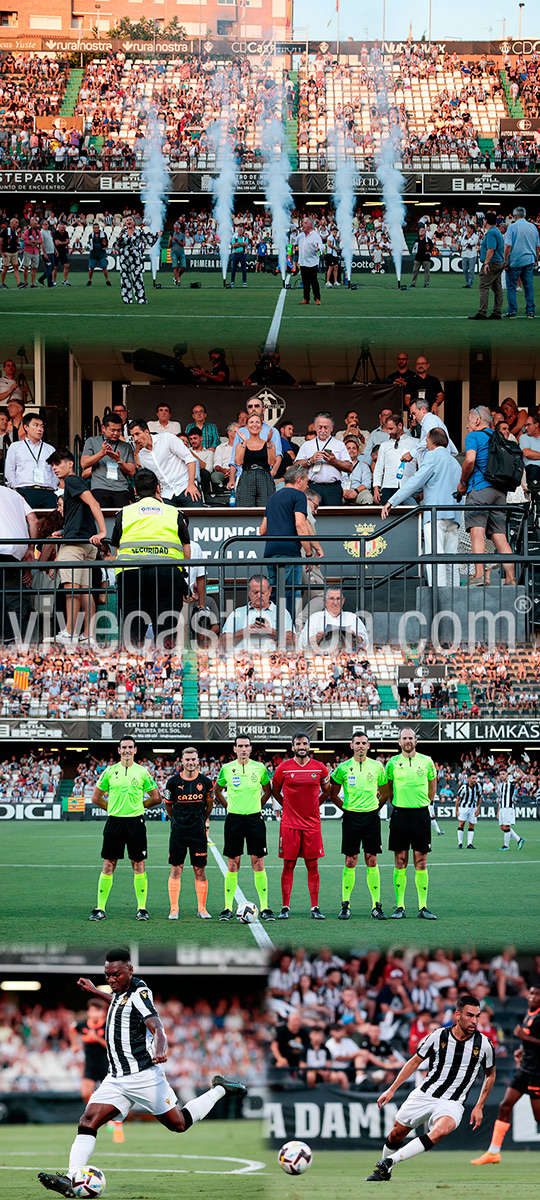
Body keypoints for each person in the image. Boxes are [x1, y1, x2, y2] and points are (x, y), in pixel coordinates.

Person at [37, 950, 246, 1198]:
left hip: (144, 1077)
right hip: (115, 1078)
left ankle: (220, 1088)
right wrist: (95, 991)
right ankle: (72, 1178)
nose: (111, 979)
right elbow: (118, 1003)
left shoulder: (139, 994)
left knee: (178, 1124)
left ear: (130, 971)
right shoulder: (119, 994)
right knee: (87, 1121)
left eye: (116, 974)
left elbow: (157, 1026)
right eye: (107, 975)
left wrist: (160, 1050)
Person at [365, 995, 495, 1181]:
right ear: (457, 1015)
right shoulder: (438, 1036)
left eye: (477, 1016)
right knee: (396, 1135)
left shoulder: (484, 1045)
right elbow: (414, 1062)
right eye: (469, 1015)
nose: (474, 1021)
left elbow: (491, 1074)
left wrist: (480, 1105)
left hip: (453, 1102)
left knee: (440, 1131)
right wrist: (392, 1089)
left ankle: (389, 1161)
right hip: (425, 1094)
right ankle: (384, 1171)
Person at [109, 468, 190, 647]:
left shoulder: (124, 513)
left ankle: (134, 671)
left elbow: (116, 548)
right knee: (166, 630)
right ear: (158, 488)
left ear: (135, 491)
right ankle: (166, 670)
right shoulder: (173, 513)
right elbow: (186, 550)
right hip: (166, 574)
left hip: (130, 575)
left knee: (134, 631)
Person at [88, 737, 161, 922]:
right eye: (124, 747)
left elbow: (156, 797)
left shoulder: (143, 772)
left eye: (130, 747)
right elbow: (96, 797)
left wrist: (140, 806)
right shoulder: (110, 772)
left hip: (136, 822)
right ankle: (100, 908)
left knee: (138, 864)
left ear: (135, 750)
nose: (127, 750)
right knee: (108, 864)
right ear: (119, 750)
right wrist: (112, 808)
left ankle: (142, 908)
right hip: (114, 822)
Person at [382, 429, 461, 587]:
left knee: (434, 558)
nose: (425, 444)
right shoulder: (455, 461)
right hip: (454, 514)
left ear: (432, 441)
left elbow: (415, 480)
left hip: (435, 514)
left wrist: (392, 501)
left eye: (426, 440)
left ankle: (439, 596)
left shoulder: (432, 456)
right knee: (452, 560)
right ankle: (454, 596)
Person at [472, 985, 540, 1165]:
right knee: (505, 1105)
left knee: (538, 1117)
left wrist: (524, 1038)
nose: (532, 996)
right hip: (524, 1069)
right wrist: (521, 1049)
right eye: (531, 993)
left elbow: (532, 1038)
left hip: (537, 1072)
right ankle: (494, 1152)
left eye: (536, 994)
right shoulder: (530, 1013)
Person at [46, 449, 107, 644]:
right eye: (52, 465)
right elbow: (82, 513)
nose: (55, 468)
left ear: (70, 463)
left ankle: (69, 632)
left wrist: (103, 531)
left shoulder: (72, 481)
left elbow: (94, 504)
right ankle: (88, 635)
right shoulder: (76, 483)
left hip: (75, 545)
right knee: (85, 590)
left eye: (58, 463)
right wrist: (64, 532)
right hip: (86, 543)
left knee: (71, 589)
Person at [214, 734, 274, 922]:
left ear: (250, 748)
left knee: (258, 862)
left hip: (255, 819)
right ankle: (227, 908)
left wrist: (258, 805)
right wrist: (228, 806)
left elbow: (268, 790)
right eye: (240, 746)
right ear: (235, 749)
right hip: (234, 820)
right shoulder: (227, 769)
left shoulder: (260, 768)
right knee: (233, 863)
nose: (243, 749)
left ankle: (264, 907)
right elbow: (218, 790)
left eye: (246, 746)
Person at [330, 731, 388, 922]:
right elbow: (333, 794)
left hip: (371, 817)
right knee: (350, 861)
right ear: (351, 745)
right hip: (351, 818)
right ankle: (345, 905)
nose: (361, 746)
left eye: (364, 743)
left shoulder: (378, 767)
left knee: (372, 860)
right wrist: (346, 809)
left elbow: (386, 792)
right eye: (357, 743)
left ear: (369, 746)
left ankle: (376, 906)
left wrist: (375, 809)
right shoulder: (343, 768)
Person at [272, 733, 330, 920]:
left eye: (305, 743)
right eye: (298, 743)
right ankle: (285, 907)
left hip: (312, 825)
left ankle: (315, 907)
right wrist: (286, 806)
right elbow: (275, 790)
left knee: (312, 865)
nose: (302, 746)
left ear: (309, 746)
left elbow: (326, 790)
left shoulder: (320, 768)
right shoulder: (283, 768)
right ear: (293, 747)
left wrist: (315, 804)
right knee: (288, 864)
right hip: (289, 824)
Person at [458, 406, 515, 586]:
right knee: (500, 537)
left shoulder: (474, 436)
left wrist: (463, 482)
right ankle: (511, 580)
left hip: (480, 489)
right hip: (500, 492)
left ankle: (479, 576)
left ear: (476, 421)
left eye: (468, 420)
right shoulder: (500, 437)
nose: (467, 425)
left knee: (477, 533)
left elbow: (469, 460)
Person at [385, 728, 437, 921]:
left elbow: (432, 789)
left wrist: (421, 803)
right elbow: (389, 791)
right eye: (404, 738)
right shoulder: (392, 763)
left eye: (411, 738)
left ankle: (423, 906)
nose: (408, 741)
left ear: (416, 740)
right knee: (400, 861)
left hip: (421, 815)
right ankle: (400, 906)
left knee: (421, 861)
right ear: (399, 741)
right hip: (400, 815)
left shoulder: (427, 761)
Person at [260, 462, 318, 617]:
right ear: (299, 480)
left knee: (273, 595)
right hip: (289, 553)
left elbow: (262, 530)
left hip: (270, 553)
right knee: (291, 595)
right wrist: (309, 555)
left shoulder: (273, 498)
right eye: (306, 482)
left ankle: (274, 629)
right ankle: (288, 633)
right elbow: (300, 524)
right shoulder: (299, 495)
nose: (307, 486)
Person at [164, 746, 213, 921]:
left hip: (198, 831)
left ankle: (202, 909)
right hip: (178, 831)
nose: (191, 762)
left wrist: (202, 821)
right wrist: (176, 820)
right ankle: (174, 909)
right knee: (176, 868)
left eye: (193, 759)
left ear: (198, 761)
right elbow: (169, 805)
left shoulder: (206, 783)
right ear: (182, 761)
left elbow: (209, 806)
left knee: (199, 869)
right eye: (187, 759)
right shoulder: (172, 782)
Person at [130, 420, 200, 507]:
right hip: (166, 495)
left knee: (197, 518)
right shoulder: (142, 455)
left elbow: (190, 459)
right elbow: (152, 478)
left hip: (185, 487)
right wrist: (157, 496)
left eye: (137, 434)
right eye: (133, 436)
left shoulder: (167, 438)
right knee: (168, 520)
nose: (135, 439)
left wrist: (191, 484)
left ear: (146, 431)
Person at [0, 484, 39, 640]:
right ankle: (13, 636)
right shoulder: (14, 494)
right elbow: (34, 520)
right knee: (13, 594)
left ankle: (7, 634)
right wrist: (31, 548)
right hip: (16, 550)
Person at [222, 572, 293, 653]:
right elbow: (222, 642)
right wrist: (244, 632)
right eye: (255, 592)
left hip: (272, 659)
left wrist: (271, 631)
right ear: (249, 592)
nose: (259, 596)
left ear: (270, 592)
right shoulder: (237, 613)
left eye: (262, 592)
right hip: (243, 659)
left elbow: (293, 640)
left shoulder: (281, 612)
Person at [295, 411, 353, 506]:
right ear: (315, 427)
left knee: (334, 518)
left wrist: (334, 461)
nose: (322, 430)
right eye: (320, 427)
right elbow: (296, 466)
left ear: (332, 428)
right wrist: (310, 460)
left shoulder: (339, 445)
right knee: (311, 517)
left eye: (326, 427)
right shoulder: (307, 445)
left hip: (333, 488)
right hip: (312, 486)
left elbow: (350, 467)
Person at [81, 415, 135, 509]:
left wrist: (119, 460)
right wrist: (101, 454)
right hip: (100, 487)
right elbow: (84, 463)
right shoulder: (92, 441)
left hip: (121, 488)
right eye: (113, 430)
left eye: (119, 430)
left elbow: (131, 471)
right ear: (103, 428)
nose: (116, 433)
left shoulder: (126, 447)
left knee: (121, 520)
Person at [4, 413, 57, 508]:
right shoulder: (16, 447)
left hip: (47, 492)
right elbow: (9, 470)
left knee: (49, 522)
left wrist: (52, 486)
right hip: (24, 491)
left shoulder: (50, 449)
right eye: (36, 425)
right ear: (26, 427)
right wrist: (17, 489)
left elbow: (56, 472)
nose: (40, 429)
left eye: (41, 426)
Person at [229, 397, 282, 490]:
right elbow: (234, 459)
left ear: (263, 409)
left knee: (265, 504)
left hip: (265, 475)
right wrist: (231, 479)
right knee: (244, 504)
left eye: (256, 406)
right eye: (250, 406)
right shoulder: (241, 432)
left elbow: (277, 455)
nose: (253, 408)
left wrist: (272, 474)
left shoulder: (272, 431)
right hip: (243, 476)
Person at [298, 586, 369, 653]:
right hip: (322, 658)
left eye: (338, 599)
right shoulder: (314, 618)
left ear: (343, 601)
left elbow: (366, 643)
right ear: (324, 601)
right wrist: (316, 638)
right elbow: (301, 644)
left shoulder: (352, 618)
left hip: (347, 657)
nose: (335, 603)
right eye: (331, 599)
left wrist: (355, 636)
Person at [70, 998, 109, 1104]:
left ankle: (116, 1118)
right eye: (92, 1011)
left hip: (106, 1066)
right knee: (85, 1094)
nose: (95, 1014)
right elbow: (72, 1028)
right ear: (88, 1012)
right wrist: (74, 1044)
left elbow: (110, 1046)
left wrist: (96, 1038)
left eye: (97, 1011)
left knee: (111, 1096)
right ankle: (97, 1109)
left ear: (102, 1013)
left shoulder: (107, 1026)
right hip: (90, 1067)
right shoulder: (83, 1025)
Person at [234, 413, 278, 506]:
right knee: (245, 510)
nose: (254, 425)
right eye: (251, 422)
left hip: (264, 476)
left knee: (266, 509)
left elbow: (272, 462)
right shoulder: (241, 444)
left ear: (262, 426)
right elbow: (238, 462)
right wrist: (245, 443)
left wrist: (269, 442)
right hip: (247, 476)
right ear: (246, 426)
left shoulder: (269, 444)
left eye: (257, 422)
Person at [503, 205, 540, 319]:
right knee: (528, 286)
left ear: (514, 216)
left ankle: (512, 311)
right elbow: (537, 246)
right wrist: (536, 259)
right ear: (524, 215)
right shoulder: (533, 227)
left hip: (515, 260)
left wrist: (505, 261)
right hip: (529, 259)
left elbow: (508, 246)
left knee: (511, 286)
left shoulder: (512, 227)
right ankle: (530, 311)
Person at [373, 414, 417, 505]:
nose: (388, 432)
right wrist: (376, 488)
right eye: (387, 429)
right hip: (388, 486)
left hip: (408, 486)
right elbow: (379, 468)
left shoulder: (415, 443)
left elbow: (421, 466)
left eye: (391, 428)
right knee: (388, 517)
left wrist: (422, 488)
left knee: (411, 516)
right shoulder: (384, 445)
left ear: (400, 426)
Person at [469, 211, 505, 321]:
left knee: (484, 286)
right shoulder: (497, 231)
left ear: (485, 222)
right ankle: (497, 311)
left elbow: (491, 249)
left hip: (492, 263)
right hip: (498, 262)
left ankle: (482, 312)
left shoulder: (491, 233)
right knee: (497, 287)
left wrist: (486, 263)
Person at [116, 216, 161, 305]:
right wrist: (121, 235)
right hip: (124, 258)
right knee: (125, 278)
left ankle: (141, 298)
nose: (129, 221)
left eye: (130, 220)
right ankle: (127, 298)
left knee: (138, 277)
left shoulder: (138, 231)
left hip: (135, 258)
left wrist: (157, 234)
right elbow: (118, 242)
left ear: (133, 222)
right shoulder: (123, 232)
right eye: (127, 220)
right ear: (125, 223)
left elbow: (148, 238)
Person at [402, 399, 458, 464]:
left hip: (436, 463)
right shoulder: (433, 420)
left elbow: (431, 439)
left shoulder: (429, 419)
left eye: (414, 413)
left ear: (423, 409)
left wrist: (411, 454)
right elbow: (453, 450)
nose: (414, 418)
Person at [291, 217, 324, 305]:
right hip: (303, 261)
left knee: (314, 281)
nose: (303, 224)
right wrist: (293, 232)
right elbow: (294, 242)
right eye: (303, 223)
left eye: (305, 223)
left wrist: (318, 248)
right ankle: (306, 298)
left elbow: (321, 245)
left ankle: (317, 298)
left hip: (312, 262)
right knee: (305, 281)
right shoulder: (301, 235)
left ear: (310, 225)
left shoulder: (315, 235)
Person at [496, 769, 525, 852]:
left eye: (503, 774)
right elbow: (500, 799)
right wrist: (498, 811)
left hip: (508, 808)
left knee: (506, 826)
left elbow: (520, 777)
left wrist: (520, 771)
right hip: (502, 808)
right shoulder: (501, 785)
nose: (502, 776)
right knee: (502, 827)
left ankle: (506, 845)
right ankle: (519, 839)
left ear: (507, 774)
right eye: (500, 774)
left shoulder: (510, 782)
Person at [342, 434, 374, 504]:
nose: (351, 450)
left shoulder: (364, 466)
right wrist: (343, 491)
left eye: (354, 448)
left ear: (358, 451)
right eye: (349, 448)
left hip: (358, 492)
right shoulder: (339, 465)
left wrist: (356, 491)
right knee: (333, 495)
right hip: (343, 492)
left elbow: (367, 482)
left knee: (368, 497)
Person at [456, 771, 482, 850]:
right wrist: (457, 811)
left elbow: (479, 797)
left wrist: (478, 808)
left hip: (473, 808)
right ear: (468, 779)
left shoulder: (478, 786)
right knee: (461, 824)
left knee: (472, 825)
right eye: (473, 778)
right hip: (464, 808)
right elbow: (458, 800)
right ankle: (460, 843)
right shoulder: (464, 787)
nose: (474, 780)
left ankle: (469, 843)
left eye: (476, 778)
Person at [0, 216, 22, 289]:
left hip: (14, 251)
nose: (17, 224)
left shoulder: (15, 231)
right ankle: (2, 283)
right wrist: (1, 252)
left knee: (16, 266)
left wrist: (18, 248)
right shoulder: (6, 230)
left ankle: (19, 283)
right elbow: (0, 241)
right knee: (5, 268)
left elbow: (15, 242)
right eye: (16, 222)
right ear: (12, 223)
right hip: (7, 252)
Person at [87, 223, 112, 287]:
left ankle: (107, 280)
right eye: (95, 228)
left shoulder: (103, 234)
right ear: (93, 229)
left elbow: (106, 242)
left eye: (97, 228)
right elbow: (89, 243)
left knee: (104, 267)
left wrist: (105, 245)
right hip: (93, 253)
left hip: (101, 253)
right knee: (91, 267)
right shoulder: (91, 235)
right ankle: (89, 280)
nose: (96, 229)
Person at [22, 216, 44, 288]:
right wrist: (36, 242)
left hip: (36, 251)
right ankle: (25, 282)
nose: (36, 225)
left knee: (34, 267)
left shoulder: (38, 232)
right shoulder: (26, 232)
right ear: (31, 224)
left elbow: (41, 241)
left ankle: (32, 283)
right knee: (26, 267)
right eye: (35, 223)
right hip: (28, 251)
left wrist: (33, 242)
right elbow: (27, 242)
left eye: (36, 223)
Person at [519, 414, 540, 486]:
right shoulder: (524, 437)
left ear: (536, 424)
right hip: (532, 470)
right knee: (535, 469)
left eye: (528, 425)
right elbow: (527, 453)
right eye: (525, 425)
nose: (526, 428)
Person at [37, 220, 55, 289]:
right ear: (42, 225)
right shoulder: (42, 232)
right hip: (47, 253)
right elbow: (42, 244)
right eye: (45, 224)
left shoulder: (48, 232)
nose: (46, 225)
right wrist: (44, 253)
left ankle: (41, 279)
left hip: (51, 252)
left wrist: (55, 250)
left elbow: (51, 242)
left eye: (47, 224)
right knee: (49, 268)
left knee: (52, 267)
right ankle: (49, 282)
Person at [460, 222, 479, 289]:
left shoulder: (475, 236)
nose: (467, 230)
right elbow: (462, 243)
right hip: (464, 254)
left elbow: (473, 243)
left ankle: (470, 283)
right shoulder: (464, 234)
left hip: (472, 255)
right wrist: (468, 242)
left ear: (472, 229)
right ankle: (468, 281)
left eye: (468, 228)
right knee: (464, 269)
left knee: (471, 270)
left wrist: (469, 240)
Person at [168, 220, 186, 286]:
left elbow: (183, 244)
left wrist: (177, 240)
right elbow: (169, 246)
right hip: (174, 252)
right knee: (175, 266)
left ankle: (176, 278)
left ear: (179, 228)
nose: (175, 229)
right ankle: (178, 281)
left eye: (176, 228)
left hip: (181, 252)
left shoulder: (182, 235)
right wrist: (170, 240)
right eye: (174, 228)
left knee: (183, 267)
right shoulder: (172, 235)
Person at [53, 221, 71, 287]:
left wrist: (61, 242)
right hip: (56, 252)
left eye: (64, 228)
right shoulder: (56, 233)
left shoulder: (66, 233)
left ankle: (64, 280)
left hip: (63, 251)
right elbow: (56, 243)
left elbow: (68, 241)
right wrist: (64, 242)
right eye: (62, 228)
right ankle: (54, 281)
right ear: (59, 227)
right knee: (55, 267)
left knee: (67, 265)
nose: (63, 229)